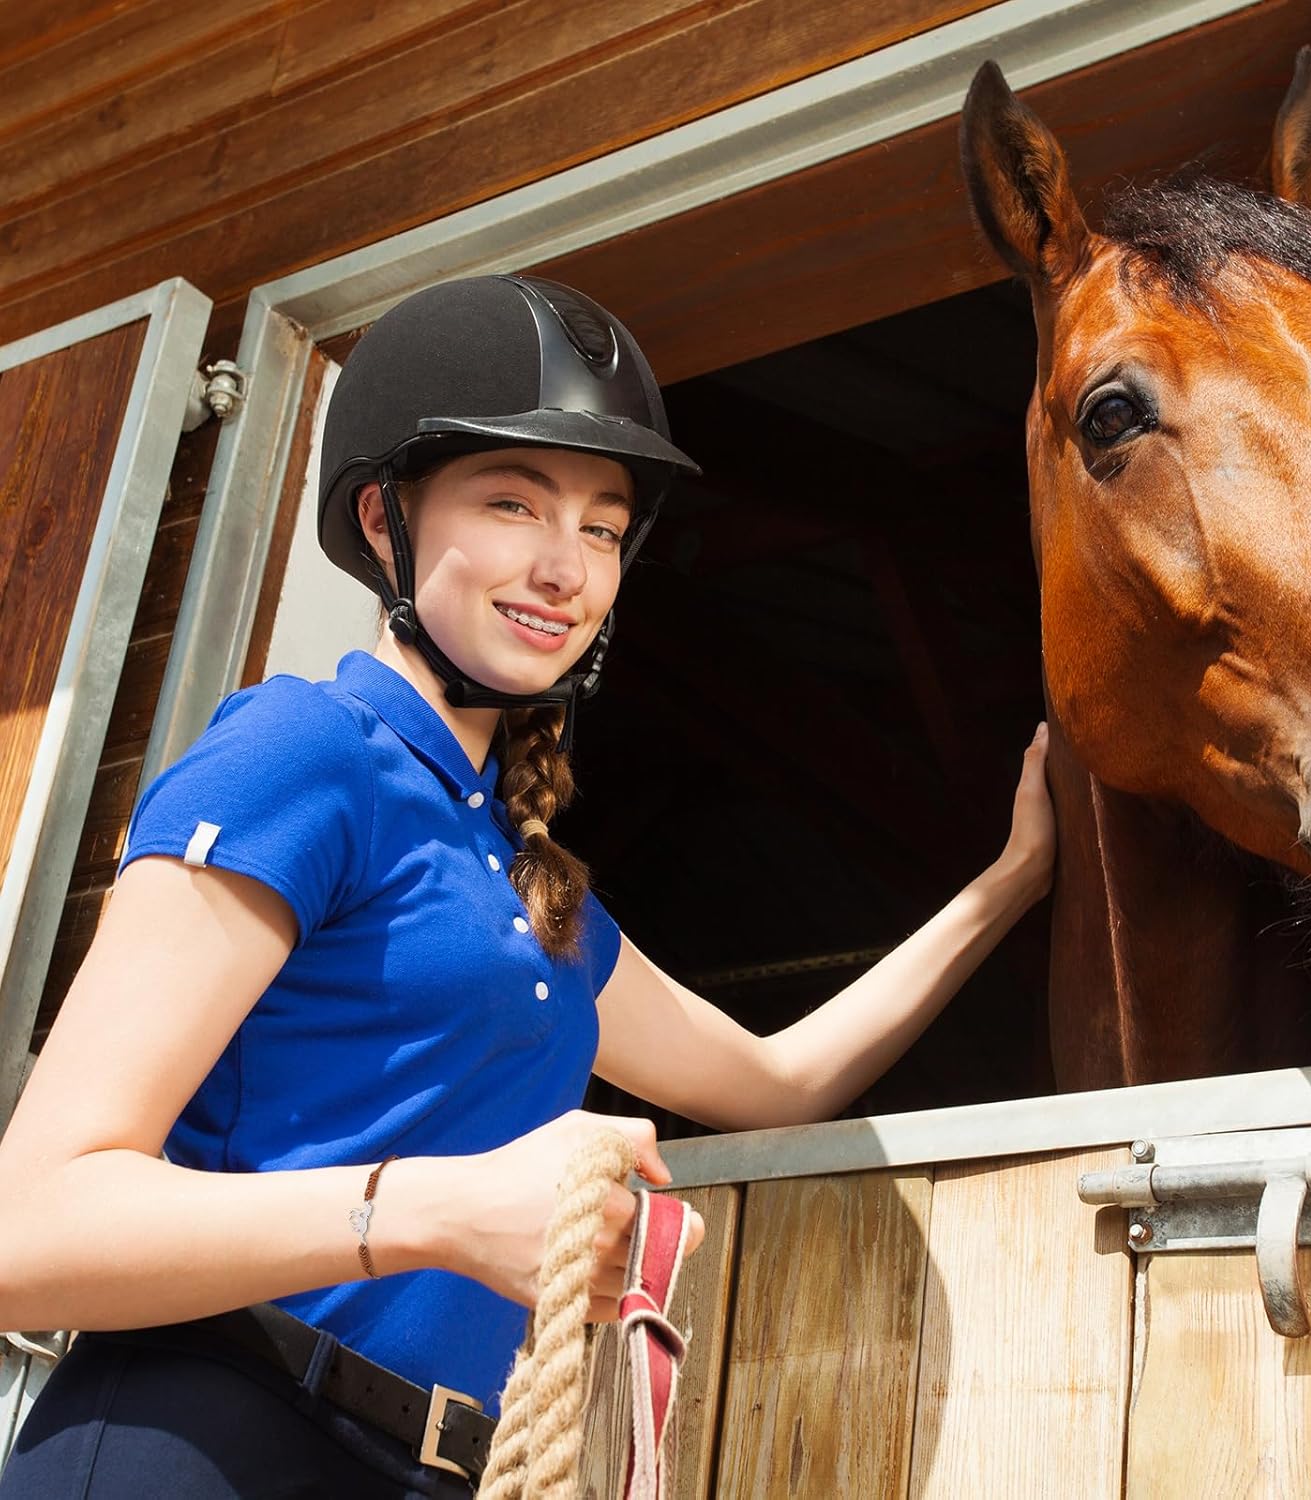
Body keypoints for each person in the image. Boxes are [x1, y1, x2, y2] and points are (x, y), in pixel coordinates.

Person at [0, 275, 1053, 1498]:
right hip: (207, 1441)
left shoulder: (523, 873)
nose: (566, 567)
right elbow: (31, 1227)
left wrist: (1014, 880)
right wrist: (445, 1212)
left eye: (603, 528)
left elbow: (780, 1081)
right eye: (513, 503)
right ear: (386, 520)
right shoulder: (304, 750)